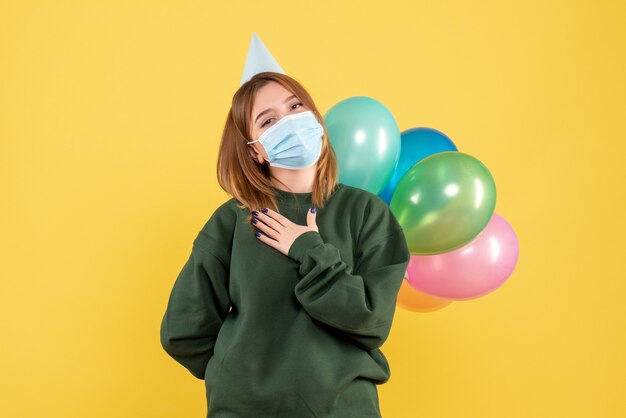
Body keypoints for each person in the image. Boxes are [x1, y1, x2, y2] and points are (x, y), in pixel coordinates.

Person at [160, 71, 411, 417]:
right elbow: (184, 330)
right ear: (255, 152)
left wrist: (308, 248)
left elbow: (370, 321)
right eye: (268, 121)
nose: (290, 121)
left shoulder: (367, 213)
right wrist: (239, 377)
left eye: (295, 106)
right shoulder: (232, 220)